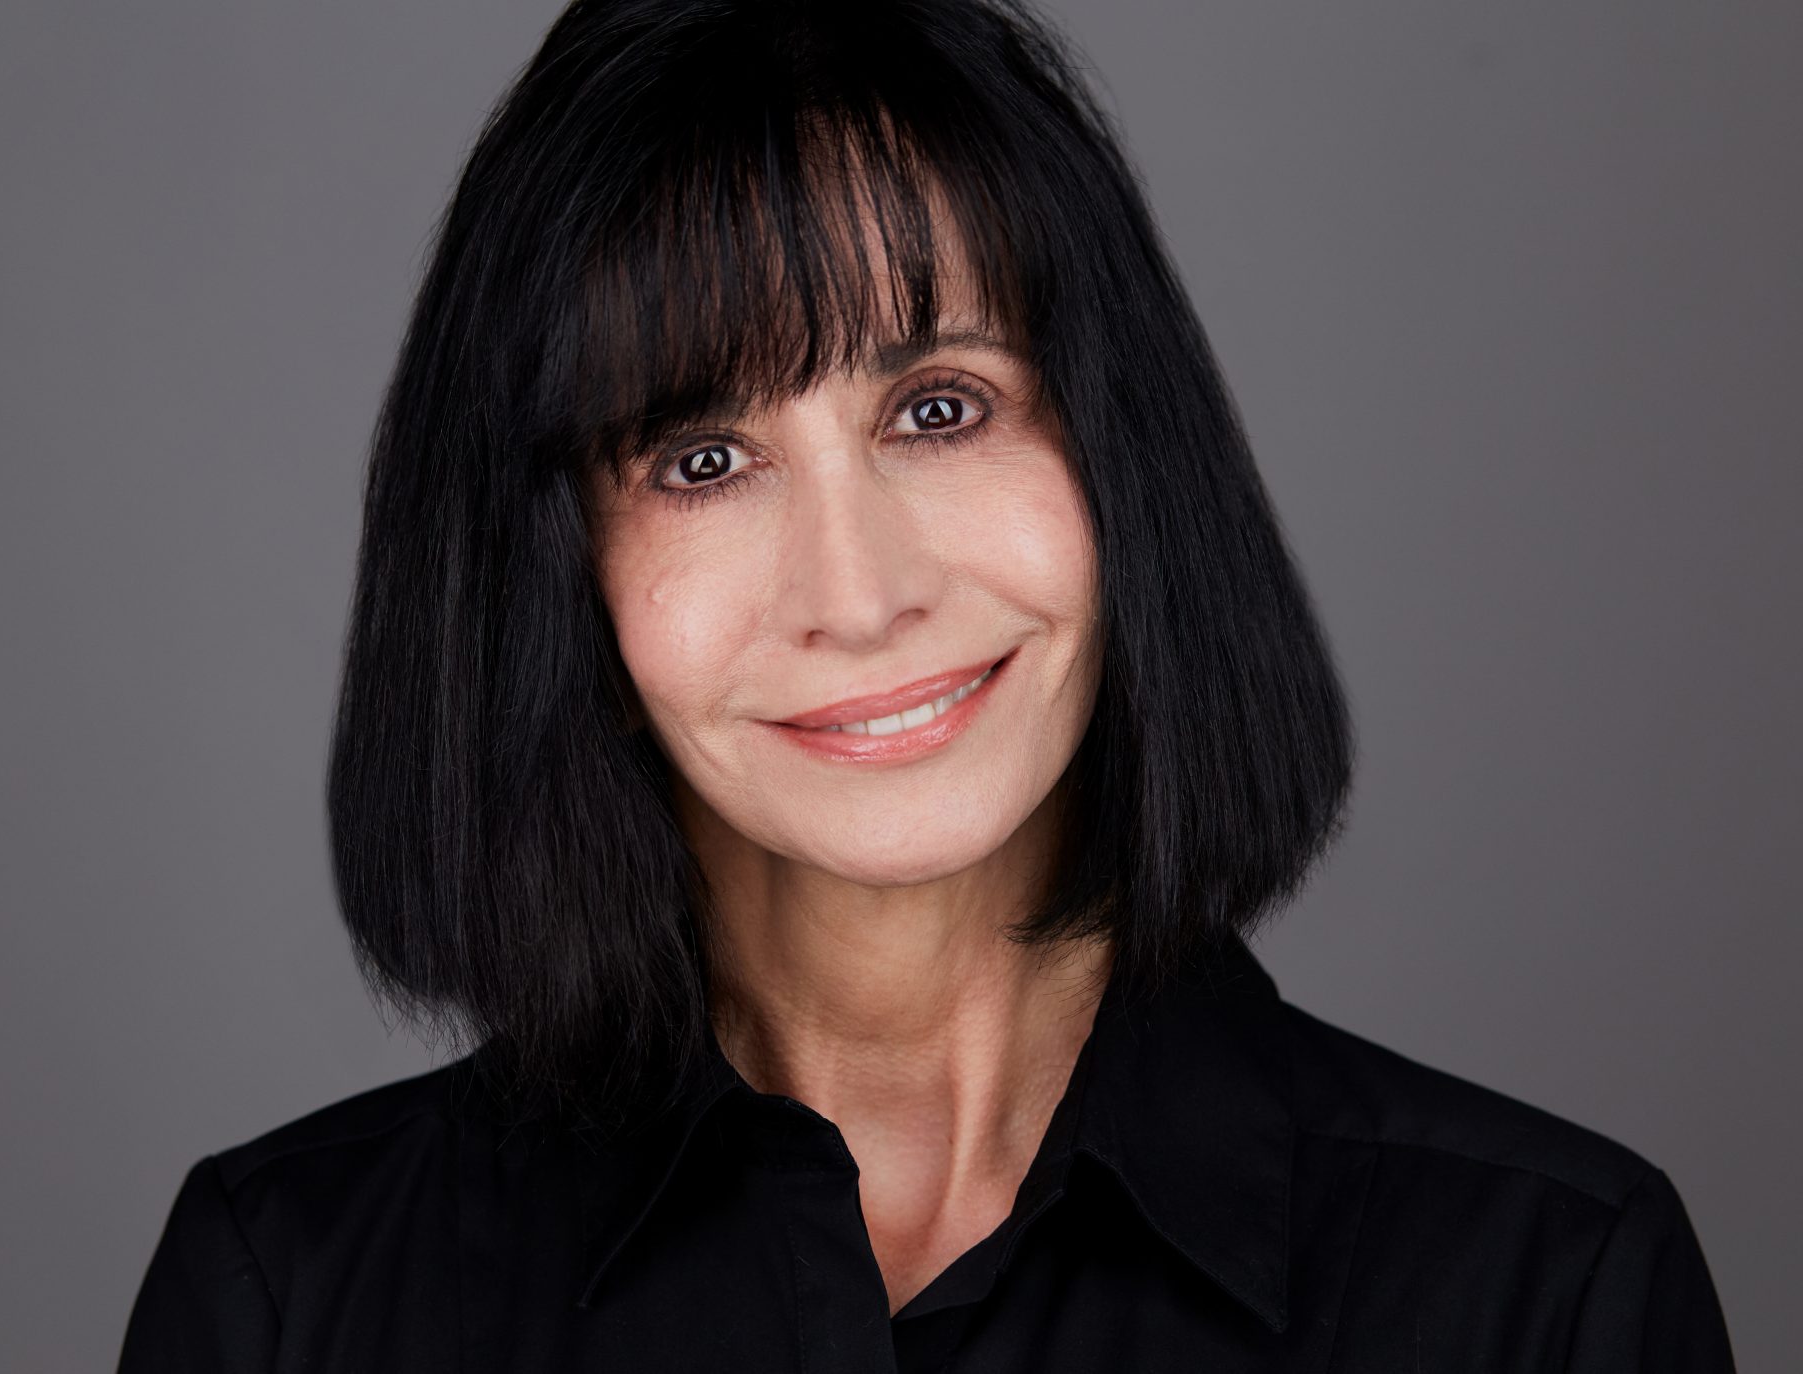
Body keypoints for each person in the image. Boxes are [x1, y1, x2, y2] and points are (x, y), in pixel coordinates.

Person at [118, 0, 1736, 1368]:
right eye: (703, 456)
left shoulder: (1547, 1291)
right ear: (560, 591)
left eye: (941, 408)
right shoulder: (292, 1300)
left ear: (1121, 463)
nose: (861, 590)